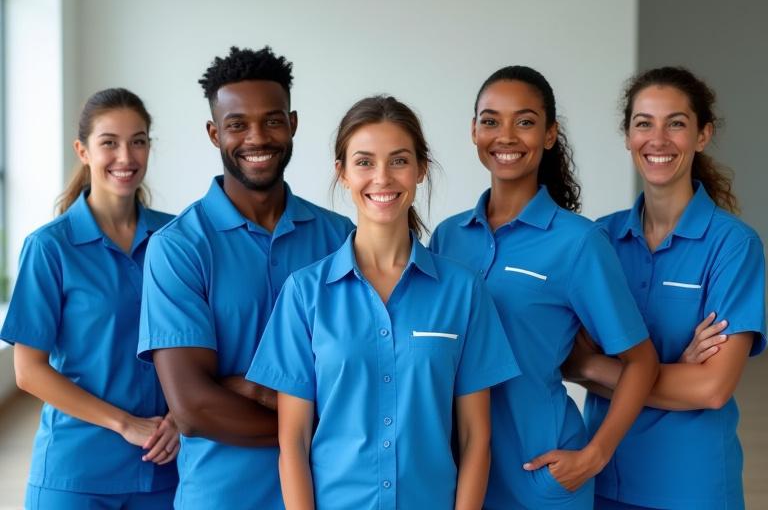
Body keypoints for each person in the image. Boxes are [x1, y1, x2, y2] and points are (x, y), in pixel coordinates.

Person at [247, 95, 520, 510]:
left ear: (421, 169)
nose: (382, 178)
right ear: (341, 173)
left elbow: (475, 436)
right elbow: (293, 440)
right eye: (364, 162)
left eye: (398, 160)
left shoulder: (463, 292)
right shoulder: (304, 294)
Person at [429, 66, 660, 510]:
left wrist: (595, 455)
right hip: (453, 471)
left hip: (540, 474)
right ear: (474, 132)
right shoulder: (447, 237)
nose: (507, 135)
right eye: (491, 120)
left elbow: (641, 362)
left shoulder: (578, 243)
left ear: (550, 135)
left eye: (526, 121)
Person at [137, 46, 354, 510]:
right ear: (215, 133)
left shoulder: (342, 238)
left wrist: (244, 387)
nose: (257, 137)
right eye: (237, 124)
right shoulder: (178, 247)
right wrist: (328, 426)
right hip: (222, 496)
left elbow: (366, 374)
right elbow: (194, 408)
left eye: (272, 120)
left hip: (333, 493)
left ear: (293, 124)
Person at [566, 66, 766, 510]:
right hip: (601, 478)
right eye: (644, 124)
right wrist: (676, 370)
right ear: (627, 136)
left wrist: (598, 368)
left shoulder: (733, 246)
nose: (658, 139)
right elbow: (565, 360)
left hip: (691, 486)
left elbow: (712, 389)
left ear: (702, 135)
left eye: (676, 123)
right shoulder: (597, 240)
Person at [1, 88, 178, 509]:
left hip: (164, 466)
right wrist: (126, 424)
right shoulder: (50, 247)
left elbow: (197, 344)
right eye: (109, 143)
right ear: (83, 150)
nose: (126, 156)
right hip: (77, 472)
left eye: (138, 141)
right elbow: (28, 372)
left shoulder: (177, 239)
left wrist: (179, 417)